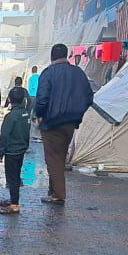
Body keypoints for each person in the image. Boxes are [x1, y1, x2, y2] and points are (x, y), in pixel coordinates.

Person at [34, 43, 93, 205]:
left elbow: (42, 99)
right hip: (70, 123)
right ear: (66, 55)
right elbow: (89, 97)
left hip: (52, 122)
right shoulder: (78, 73)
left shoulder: (48, 73)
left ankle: (58, 195)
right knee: (60, 156)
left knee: (53, 158)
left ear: (52, 56)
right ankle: (53, 190)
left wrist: (39, 114)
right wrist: (77, 112)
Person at [0, 83, 32, 215]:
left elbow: (4, 135)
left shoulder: (10, 117)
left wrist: (1, 151)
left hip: (11, 151)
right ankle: (13, 199)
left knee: (11, 178)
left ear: (10, 100)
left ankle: (15, 205)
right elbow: (27, 132)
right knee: (16, 176)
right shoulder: (25, 114)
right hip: (21, 150)